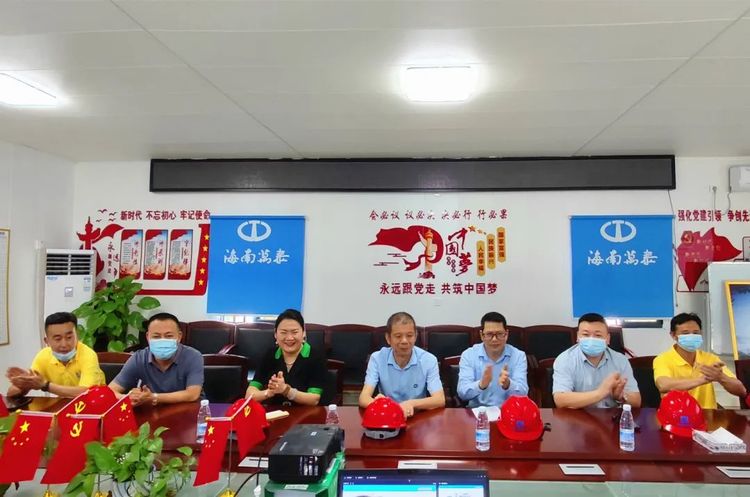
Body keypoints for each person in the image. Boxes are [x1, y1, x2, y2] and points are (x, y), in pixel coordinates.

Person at [359, 312, 445, 417]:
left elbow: (439, 399)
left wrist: (411, 404)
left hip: (417, 415)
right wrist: (383, 405)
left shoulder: (429, 360)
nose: (404, 341)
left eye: (409, 335)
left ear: (415, 336)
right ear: (388, 338)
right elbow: (363, 398)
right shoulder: (377, 358)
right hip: (388, 415)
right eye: (398, 336)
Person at [653, 313, 746, 409]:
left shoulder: (710, 358)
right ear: (673, 335)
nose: (691, 336)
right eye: (685, 333)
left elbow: (741, 390)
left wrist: (721, 377)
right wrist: (702, 380)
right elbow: (663, 385)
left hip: (707, 414)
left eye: (696, 333)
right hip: (677, 414)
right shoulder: (663, 359)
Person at [109, 312, 203, 406]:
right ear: (148, 337)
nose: (162, 340)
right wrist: (129, 398)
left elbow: (192, 394)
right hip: (151, 411)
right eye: (156, 336)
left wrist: (153, 397)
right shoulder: (138, 358)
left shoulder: (193, 356)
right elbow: (110, 391)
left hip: (187, 409)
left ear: (179, 336)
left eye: (168, 336)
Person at [6, 312, 105, 398]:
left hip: (96, 404)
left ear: (77, 336)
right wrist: (23, 382)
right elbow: (11, 393)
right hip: (63, 405)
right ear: (47, 341)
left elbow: (86, 393)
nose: (64, 344)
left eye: (69, 337)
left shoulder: (88, 355)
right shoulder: (43, 356)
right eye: (58, 339)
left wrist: (45, 385)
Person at [553, 313, 641, 408]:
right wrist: (600, 393)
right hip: (578, 415)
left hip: (611, 416)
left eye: (598, 335)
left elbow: (636, 401)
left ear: (608, 339)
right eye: (586, 334)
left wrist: (621, 396)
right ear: (578, 337)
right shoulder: (565, 359)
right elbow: (560, 400)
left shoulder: (620, 360)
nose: (591, 339)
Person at [245, 309, 327, 405]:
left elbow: (314, 399)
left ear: (304, 333)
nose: (289, 338)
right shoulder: (270, 355)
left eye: (294, 332)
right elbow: (249, 395)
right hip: (275, 413)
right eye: (283, 332)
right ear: (275, 334)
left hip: (306, 413)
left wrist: (286, 391)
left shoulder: (316, 357)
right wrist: (269, 392)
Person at [457, 312, 528, 407]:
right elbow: (462, 393)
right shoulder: (469, 355)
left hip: (509, 411)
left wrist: (508, 384)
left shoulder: (518, 356)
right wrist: (481, 385)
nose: (494, 339)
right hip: (478, 412)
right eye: (489, 334)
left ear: (506, 334)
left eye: (499, 334)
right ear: (482, 335)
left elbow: (523, 393)